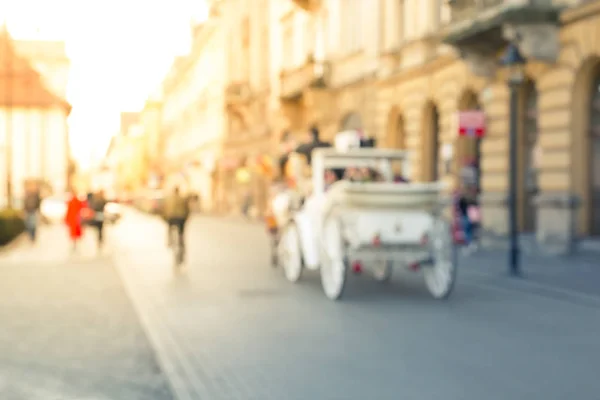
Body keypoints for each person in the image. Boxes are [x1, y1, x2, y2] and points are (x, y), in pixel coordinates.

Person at [163, 187, 191, 258]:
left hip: (171, 218)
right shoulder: (182, 199)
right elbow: (187, 209)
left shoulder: (169, 199)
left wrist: (165, 218)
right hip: (181, 218)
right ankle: (181, 240)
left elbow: (164, 209)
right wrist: (186, 218)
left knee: (169, 227)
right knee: (181, 232)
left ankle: (169, 240)